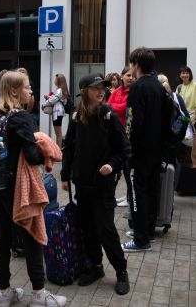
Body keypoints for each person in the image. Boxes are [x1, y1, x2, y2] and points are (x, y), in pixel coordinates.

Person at [0, 71, 68, 307]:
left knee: (3, 237)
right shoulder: (21, 117)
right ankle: (39, 295)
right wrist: (39, 140)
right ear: (14, 91)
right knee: (32, 236)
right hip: (19, 189)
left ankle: (4, 292)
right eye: (26, 87)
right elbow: (33, 157)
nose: (29, 91)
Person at [61, 73, 131, 295]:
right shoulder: (76, 115)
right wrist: (64, 175)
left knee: (106, 229)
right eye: (95, 88)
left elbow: (124, 149)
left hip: (103, 186)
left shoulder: (108, 114)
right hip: (82, 183)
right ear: (85, 92)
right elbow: (68, 148)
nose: (101, 91)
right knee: (87, 228)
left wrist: (112, 164)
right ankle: (95, 266)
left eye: (102, 87)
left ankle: (121, 271)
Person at [121, 47, 164, 252]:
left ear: (136, 64)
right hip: (156, 149)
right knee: (152, 189)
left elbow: (132, 121)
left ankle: (140, 240)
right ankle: (147, 231)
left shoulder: (138, 87)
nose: (130, 67)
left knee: (137, 192)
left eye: (132, 63)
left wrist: (128, 147)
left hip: (139, 151)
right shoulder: (158, 86)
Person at [108, 66, 134, 207]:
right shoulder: (117, 91)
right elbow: (108, 104)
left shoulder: (133, 92)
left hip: (127, 134)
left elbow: (125, 107)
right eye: (128, 75)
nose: (131, 78)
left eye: (132, 76)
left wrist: (113, 107)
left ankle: (130, 197)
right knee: (117, 167)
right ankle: (120, 196)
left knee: (127, 168)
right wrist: (114, 106)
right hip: (115, 133)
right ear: (122, 76)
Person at [41, 73, 70, 148]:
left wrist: (44, 104)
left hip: (57, 113)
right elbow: (56, 99)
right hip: (59, 112)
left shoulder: (59, 90)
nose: (54, 81)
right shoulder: (62, 90)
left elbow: (54, 99)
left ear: (59, 81)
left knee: (58, 134)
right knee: (58, 133)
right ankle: (59, 150)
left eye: (55, 79)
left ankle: (58, 151)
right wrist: (50, 97)